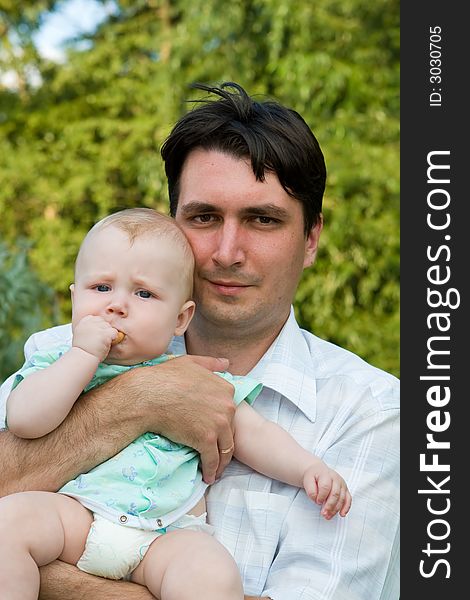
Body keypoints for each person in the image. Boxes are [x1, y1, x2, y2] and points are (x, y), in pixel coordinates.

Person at [0, 82, 399, 600]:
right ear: (173, 226)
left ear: (311, 239)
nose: (227, 252)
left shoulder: (371, 412)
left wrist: (58, 583)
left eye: (263, 219)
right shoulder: (67, 348)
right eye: (204, 217)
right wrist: (141, 401)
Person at [0, 207, 351, 600]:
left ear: (181, 318)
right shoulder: (55, 361)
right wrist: (82, 357)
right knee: (7, 525)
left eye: (144, 293)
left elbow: (255, 433)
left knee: (212, 574)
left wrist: (308, 468)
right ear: (74, 296)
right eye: (100, 288)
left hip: (165, 536)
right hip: (76, 516)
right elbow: (25, 421)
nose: (116, 305)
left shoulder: (200, 382)